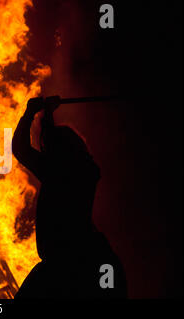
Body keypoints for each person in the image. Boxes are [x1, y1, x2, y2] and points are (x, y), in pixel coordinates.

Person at [12, 97, 127, 298]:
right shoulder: (87, 171)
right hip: (95, 257)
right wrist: (47, 113)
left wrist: (31, 112)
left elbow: (20, 148)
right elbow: (55, 144)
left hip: (64, 265)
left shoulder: (57, 172)